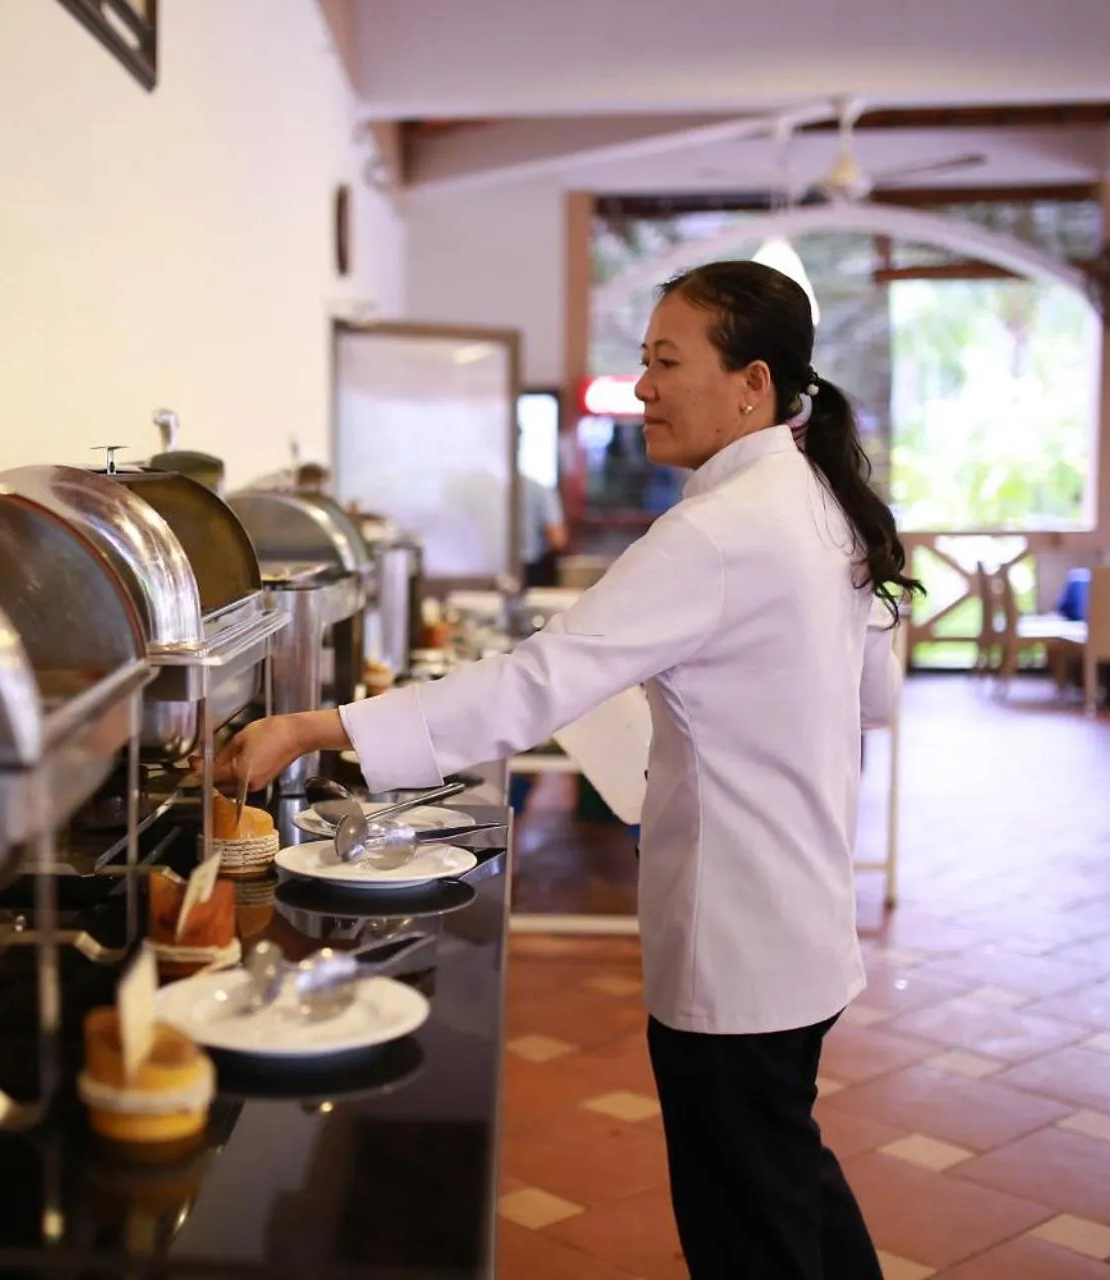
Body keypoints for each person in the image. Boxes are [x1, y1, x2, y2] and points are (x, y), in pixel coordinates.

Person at [213, 260, 917, 1279]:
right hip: (805, 916)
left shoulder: (718, 530)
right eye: (645, 362)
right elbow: (877, 697)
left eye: (668, 363)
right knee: (788, 1167)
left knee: (750, 1222)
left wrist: (317, 726)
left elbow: (528, 687)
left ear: (752, 384)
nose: (643, 388)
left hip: (738, 929)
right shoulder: (816, 498)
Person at [519, 474, 569, 589]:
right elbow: (557, 539)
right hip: (529, 571)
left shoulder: (491, 489)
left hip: (490, 570)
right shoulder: (539, 490)